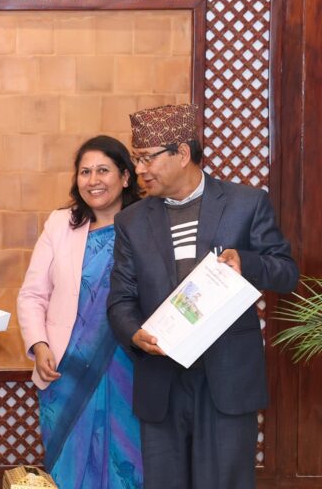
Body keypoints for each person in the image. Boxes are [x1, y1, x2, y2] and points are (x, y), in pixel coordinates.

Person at [108, 104, 299, 489]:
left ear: (181, 153)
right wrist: (134, 333)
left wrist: (247, 262)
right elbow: (120, 299)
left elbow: (286, 272)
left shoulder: (246, 204)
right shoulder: (131, 220)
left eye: (146, 158)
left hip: (226, 379)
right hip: (161, 378)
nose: (139, 170)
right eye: (136, 159)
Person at [18, 135, 144, 488]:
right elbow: (32, 294)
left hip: (129, 368)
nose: (93, 180)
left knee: (126, 462)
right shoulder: (60, 224)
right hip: (66, 369)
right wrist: (40, 344)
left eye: (103, 170)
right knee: (71, 466)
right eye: (85, 171)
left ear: (125, 176)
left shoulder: (146, 226)